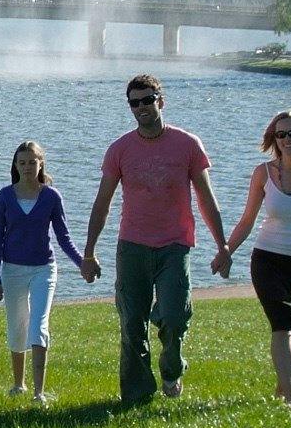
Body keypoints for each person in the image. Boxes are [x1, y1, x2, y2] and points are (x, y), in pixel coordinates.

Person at [81, 74, 229, 405]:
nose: (142, 107)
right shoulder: (119, 150)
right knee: (132, 323)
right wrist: (88, 253)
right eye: (135, 102)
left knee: (175, 317)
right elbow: (102, 203)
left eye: (148, 100)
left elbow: (206, 198)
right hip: (132, 245)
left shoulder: (187, 144)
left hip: (174, 245)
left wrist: (222, 246)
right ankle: (137, 396)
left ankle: (172, 368)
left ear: (161, 101)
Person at [214, 110, 291, 409]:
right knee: (283, 322)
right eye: (280, 134)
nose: (286, 139)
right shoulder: (263, 173)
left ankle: (283, 388)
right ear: (274, 139)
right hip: (266, 259)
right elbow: (247, 220)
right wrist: (226, 251)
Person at [0, 141, 86, 404]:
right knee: (17, 326)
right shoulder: (4, 197)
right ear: (15, 166)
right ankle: (18, 384)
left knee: (38, 325)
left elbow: (63, 237)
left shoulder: (51, 197)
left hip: (44, 268)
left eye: (32, 162)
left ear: (41, 164)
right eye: (22, 163)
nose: (27, 167)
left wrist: (82, 263)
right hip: (12, 270)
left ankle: (38, 392)